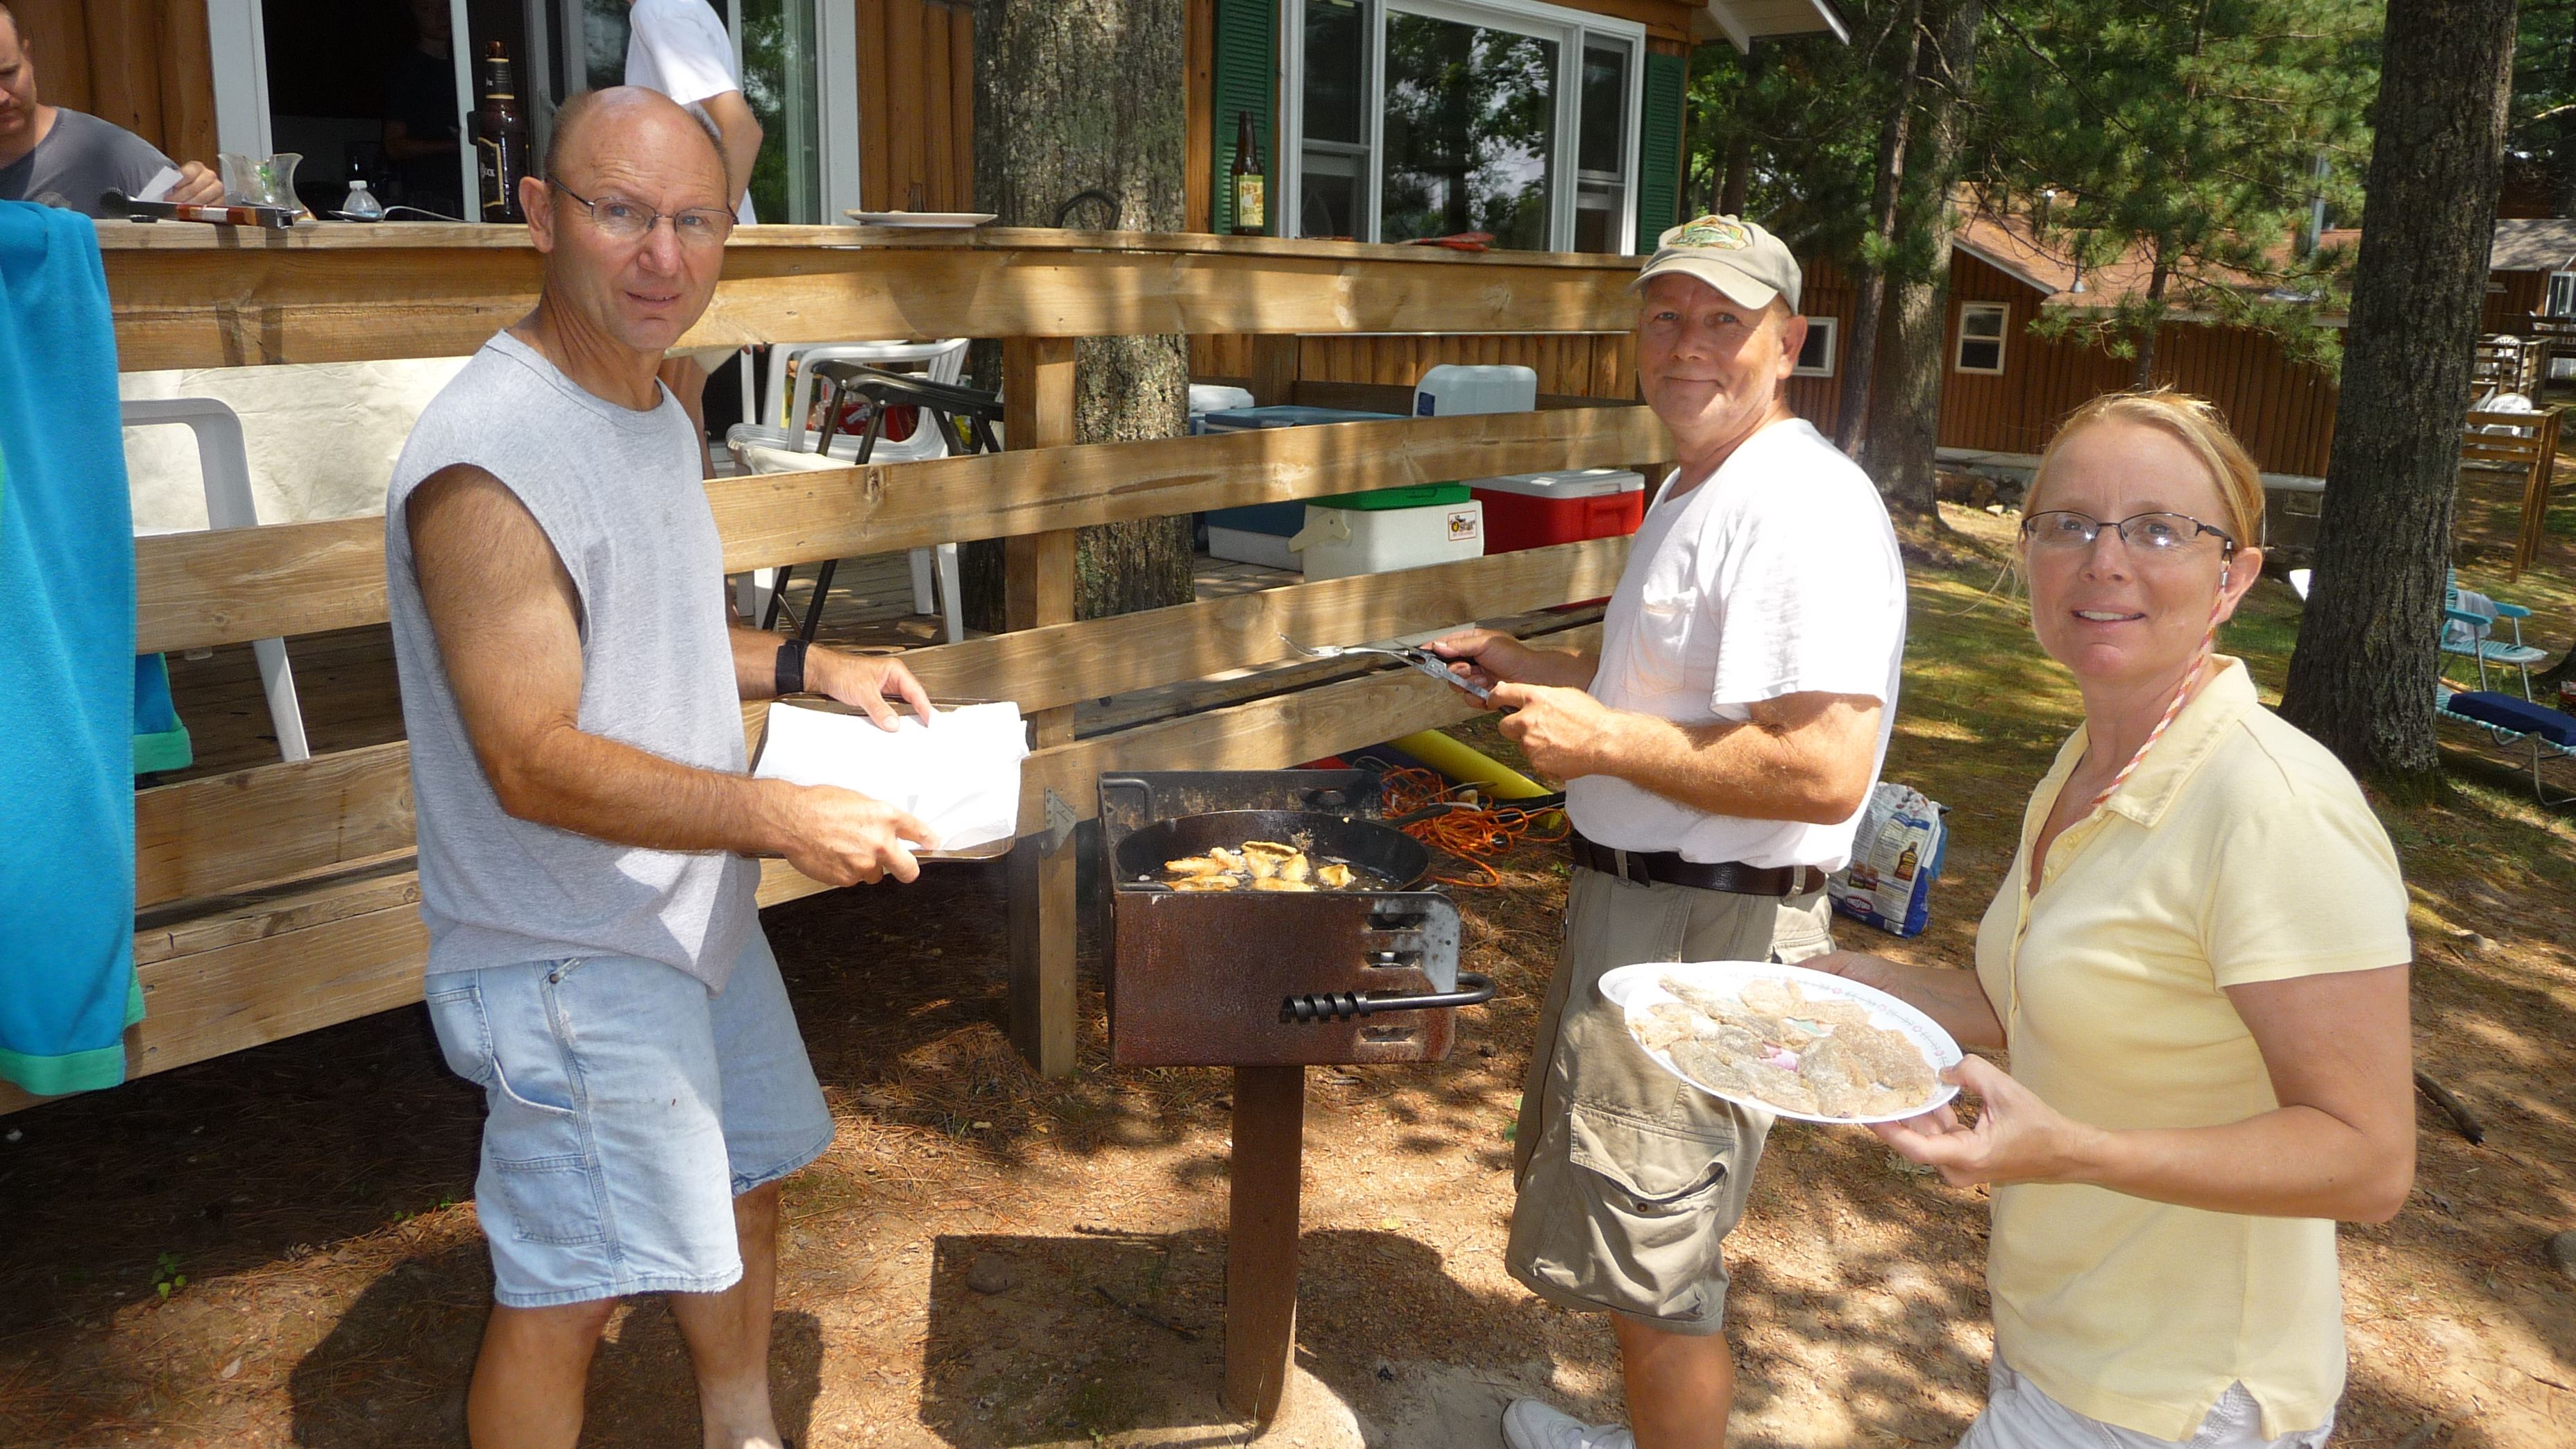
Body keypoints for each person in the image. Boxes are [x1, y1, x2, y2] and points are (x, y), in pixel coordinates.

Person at [385, 87, 935, 1449]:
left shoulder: (643, 401)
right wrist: (778, 816)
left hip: (686, 915)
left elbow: (656, 629)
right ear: (539, 218)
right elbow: (532, 760)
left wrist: (815, 672)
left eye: (694, 221)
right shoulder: (491, 458)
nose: (659, 255)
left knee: (745, 1183)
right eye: (618, 211)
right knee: (568, 1291)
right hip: (567, 947)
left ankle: (740, 1431)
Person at [1814, 391, 2415, 1449]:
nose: (2104, 560)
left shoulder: (2274, 805)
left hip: (2183, 1396)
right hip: (2064, 1339)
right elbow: (2061, 1000)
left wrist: (2073, 1150)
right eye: (2068, 524)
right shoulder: (2092, 762)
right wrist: (1876, 988)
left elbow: (2369, 1161)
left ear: (2234, 577)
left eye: (2158, 529)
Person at [1431, 215, 1908, 1449]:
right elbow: (1666, 689)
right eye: (1664, 316)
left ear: (1786, 341)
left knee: (1662, 1259)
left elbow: (1821, 765)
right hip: (1644, 906)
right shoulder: (1698, 482)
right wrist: (1520, 665)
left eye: (1722, 321)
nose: (1687, 346)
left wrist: (1596, 746)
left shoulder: (1802, 504)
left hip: (1713, 923)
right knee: (1633, 1226)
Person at [623, 0, 765, 460]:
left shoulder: (658, 9)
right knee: (681, 411)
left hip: (697, 243)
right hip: (706, 239)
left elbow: (742, 131)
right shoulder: (682, 5)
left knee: (670, 412)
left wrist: (709, 228)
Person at [0, 3, 223, 216]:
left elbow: (191, 215)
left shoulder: (108, 156)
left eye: (8, 73)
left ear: (28, 58)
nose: (1, 98)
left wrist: (201, 196)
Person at [382, 0, 464, 219]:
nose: (440, 16)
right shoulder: (406, 71)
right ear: (413, 14)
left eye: (445, 6)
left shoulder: (465, 66)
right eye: (427, 9)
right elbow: (394, 145)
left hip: (467, 191)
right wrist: (454, 146)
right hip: (427, 198)